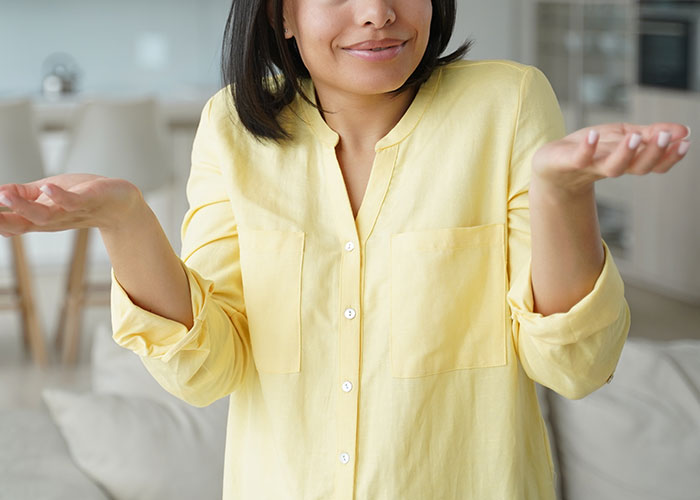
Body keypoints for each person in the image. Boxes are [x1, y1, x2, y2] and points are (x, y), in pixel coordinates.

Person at [0, 1, 692, 498]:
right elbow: (206, 369)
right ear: (283, 14)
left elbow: (574, 364)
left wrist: (562, 193)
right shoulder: (230, 127)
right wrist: (126, 221)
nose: (377, 13)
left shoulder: (507, 103)